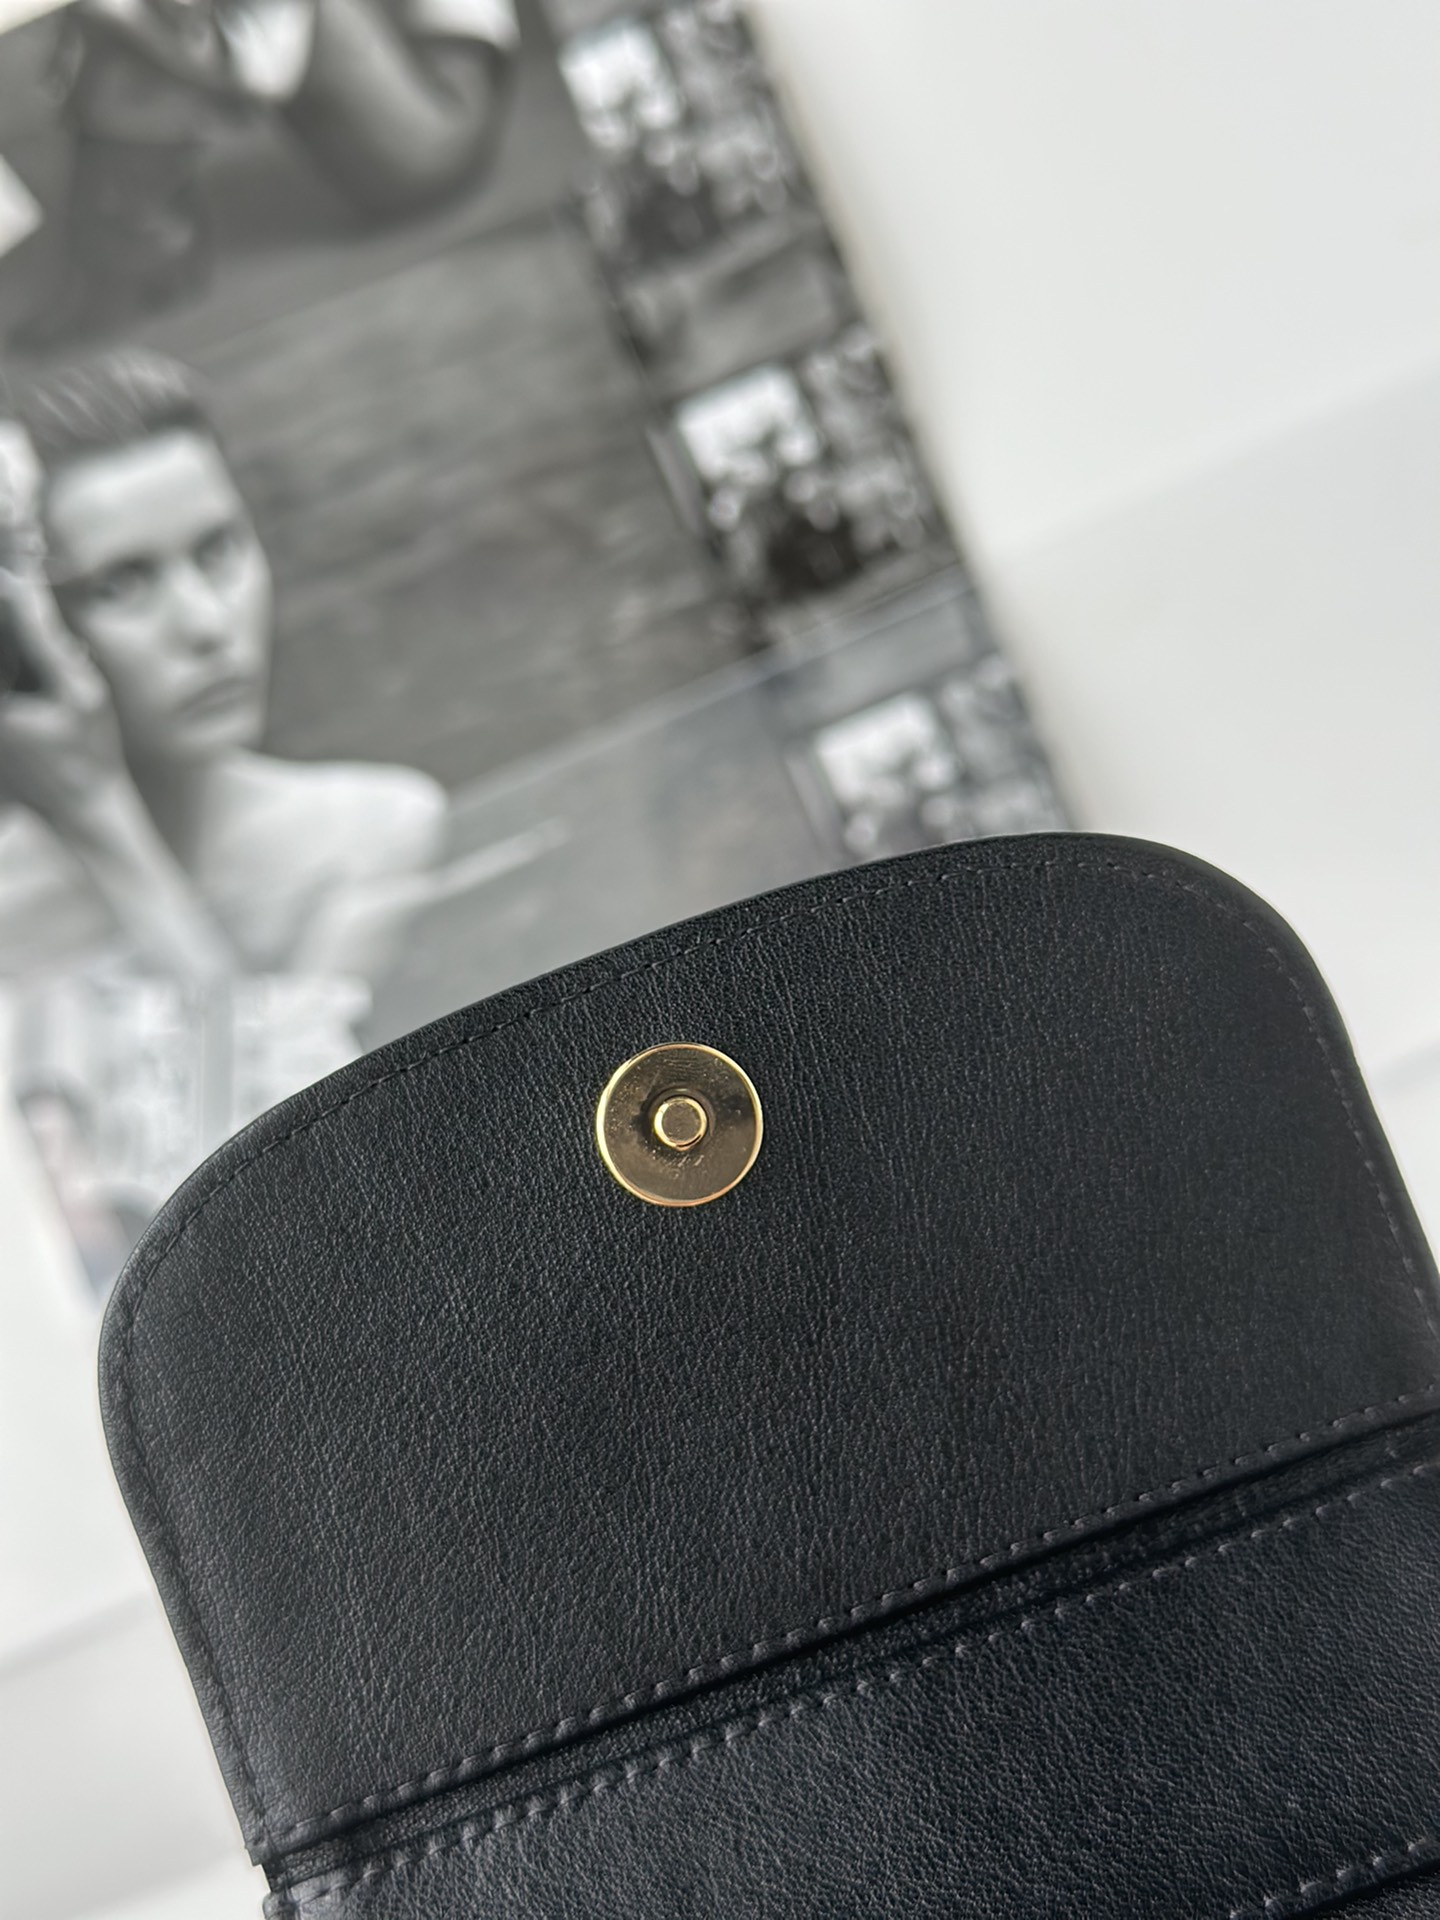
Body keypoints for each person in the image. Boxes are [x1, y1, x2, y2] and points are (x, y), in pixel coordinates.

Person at [0, 345, 447, 987]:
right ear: (31, 624)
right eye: (122, 585)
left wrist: (102, 823)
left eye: (218, 552)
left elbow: (266, 1058)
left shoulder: (372, 835)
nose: (206, 625)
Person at [14, 0, 518, 344]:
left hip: (435, 143)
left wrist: (122, 20)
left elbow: (257, 77)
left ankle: (133, 252)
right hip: (438, 53)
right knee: (138, 42)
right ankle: (131, 248)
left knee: (140, 51)